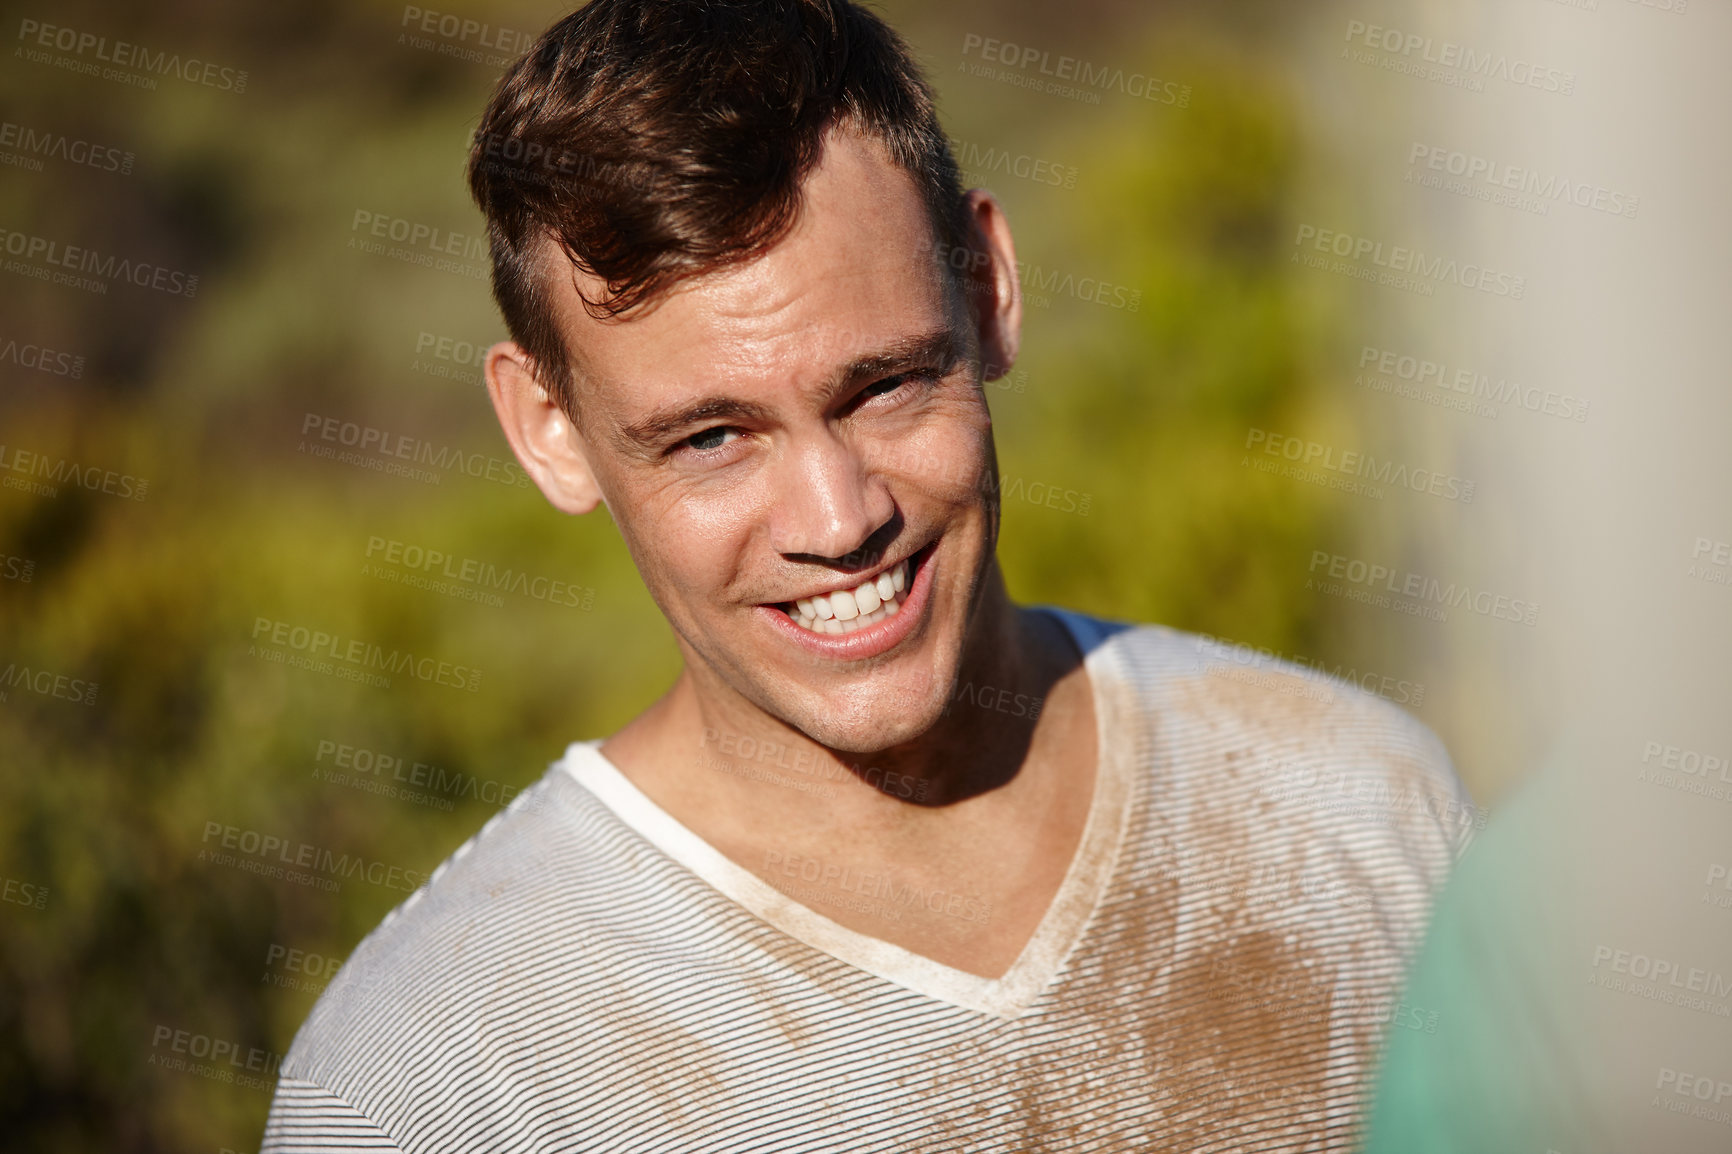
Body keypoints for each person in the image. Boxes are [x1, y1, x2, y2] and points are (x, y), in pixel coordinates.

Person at [262, 1, 1473, 1148]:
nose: (840, 519)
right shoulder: (433, 1079)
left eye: (885, 383)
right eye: (710, 438)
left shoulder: (1362, 805)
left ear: (988, 284)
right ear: (550, 430)